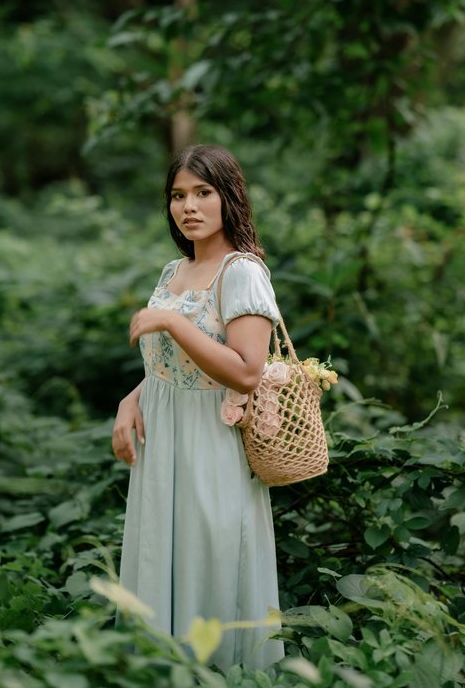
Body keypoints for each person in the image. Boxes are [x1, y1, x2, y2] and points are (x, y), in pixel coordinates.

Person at [112, 144, 284, 670]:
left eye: (203, 192)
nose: (188, 206)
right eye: (178, 195)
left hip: (211, 440)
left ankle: (215, 672)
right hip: (163, 437)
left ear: (229, 196)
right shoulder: (174, 270)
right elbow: (170, 367)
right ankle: (156, 669)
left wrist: (172, 322)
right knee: (160, 551)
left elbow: (246, 371)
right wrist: (130, 399)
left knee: (207, 557)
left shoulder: (242, 272)